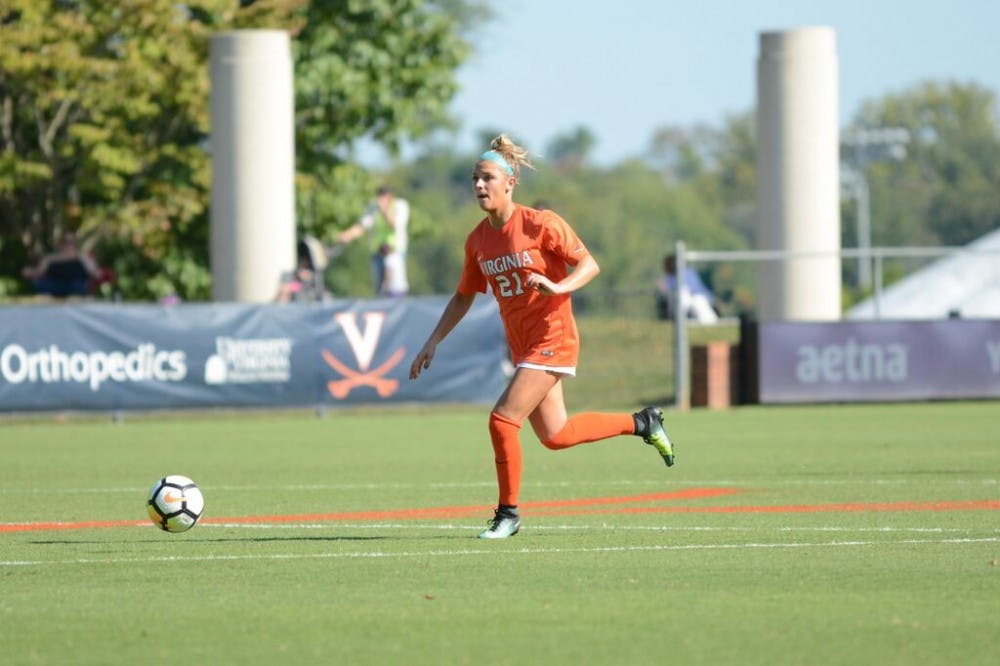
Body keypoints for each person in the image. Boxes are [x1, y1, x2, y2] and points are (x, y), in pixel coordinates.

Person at [409, 134, 676, 540]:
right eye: (475, 179)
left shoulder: (540, 224)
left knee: (502, 421)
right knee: (556, 436)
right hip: (523, 346)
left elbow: (589, 265)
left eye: (487, 178)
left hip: (553, 335)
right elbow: (464, 296)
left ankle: (508, 514)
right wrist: (433, 340)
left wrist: (560, 287)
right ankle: (643, 422)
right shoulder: (478, 241)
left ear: (510, 183)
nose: (479, 186)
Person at [335, 185, 409, 296]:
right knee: (379, 287)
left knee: (395, 284)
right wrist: (346, 235)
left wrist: (385, 209)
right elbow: (362, 226)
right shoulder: (374, 208)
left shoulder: (400, 206)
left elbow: (394, 224)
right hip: (378, 252)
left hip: (394, 251)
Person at [22, 230, 101, 297]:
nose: (69, 244)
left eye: (71, 241)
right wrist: (29, 272)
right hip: (54, 287)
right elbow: (38, 272)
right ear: (60, 243)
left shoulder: (83, 257)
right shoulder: (50, 258)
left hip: (75, 288)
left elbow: (96, 273)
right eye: (65, 241)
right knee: (41, 284)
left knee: (77, 286)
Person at [656, 253, 719, 323]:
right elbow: (665, 292)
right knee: (683, 294)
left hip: (697, 297)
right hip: (679, 302)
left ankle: (710, 323)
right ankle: (679, 323)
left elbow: (695, 289)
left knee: (697, 300)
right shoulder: (668, 277)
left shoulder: (688, 272)